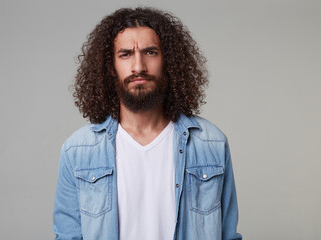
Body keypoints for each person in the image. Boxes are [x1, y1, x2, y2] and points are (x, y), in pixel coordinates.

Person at [53, 7, 242, 240]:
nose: (138, 66)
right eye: (125, 54)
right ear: (110, 67)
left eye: (150, 52)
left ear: (168, 62)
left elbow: (228, 235)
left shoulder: (210, 144)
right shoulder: (77, 151)